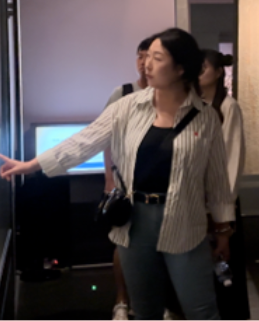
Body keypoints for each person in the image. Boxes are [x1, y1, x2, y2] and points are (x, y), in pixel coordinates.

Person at [0, 28, 235, 320]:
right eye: (145, 56)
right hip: (134, 222)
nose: (146, 64)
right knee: (145, 309)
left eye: (157, 58)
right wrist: (31, 165)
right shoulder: (127, 107)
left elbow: (217, 179)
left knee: (202, 309)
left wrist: (223, 231)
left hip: (185, 220)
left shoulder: (206, 117)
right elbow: (84, 142)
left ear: (180, 68)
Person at [103, 36, 153, 320]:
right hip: (124, 182)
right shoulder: (122, 93)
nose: (144, 63)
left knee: (157, 244)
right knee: (123, 241)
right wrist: (109, 179)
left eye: (151, 56)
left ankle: (152, 302)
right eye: (140, 56)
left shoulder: (169, 95)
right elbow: (105, 137)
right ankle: (121, 301)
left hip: (156, 184)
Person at [199, 49, 248, 320]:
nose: (198, 72)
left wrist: (223, 219)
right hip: (196, 202)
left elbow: (231, 161)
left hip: (220, 202)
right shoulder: (192, 105)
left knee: (224, 272)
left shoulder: (228, 107)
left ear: (219, 73)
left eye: (204, 68)